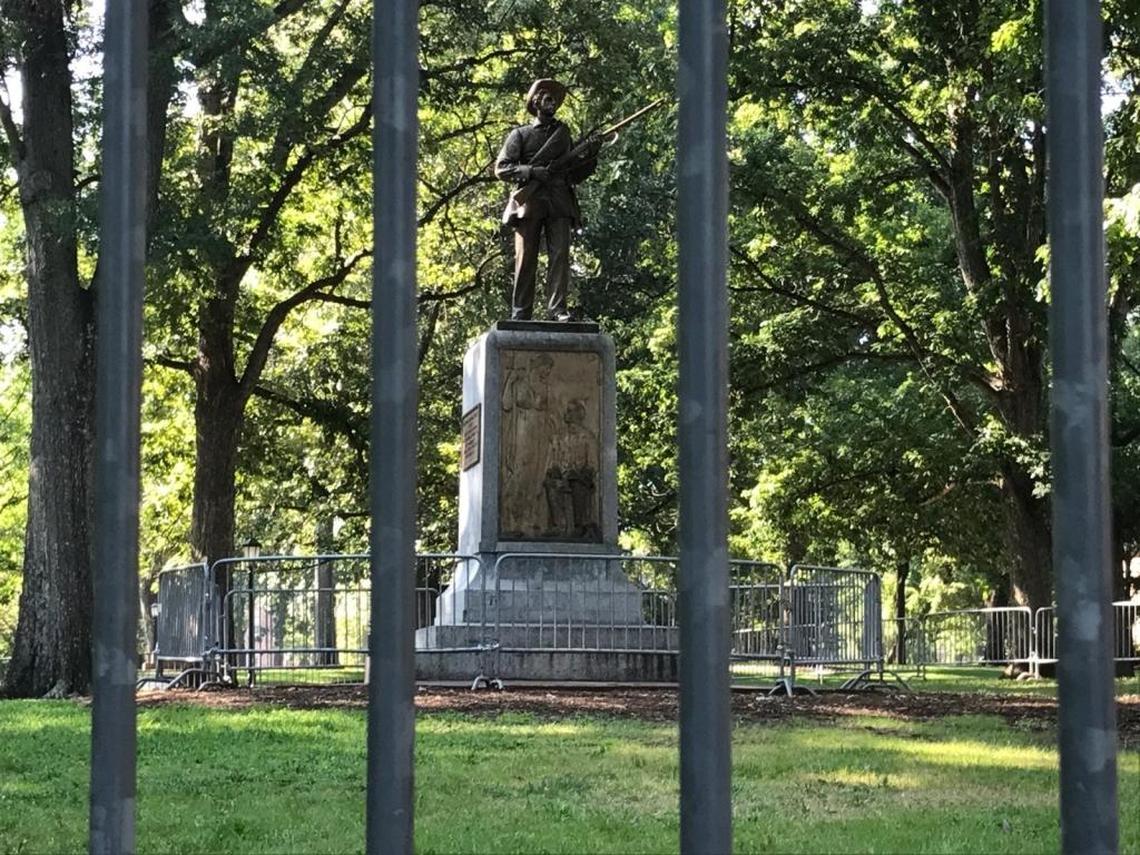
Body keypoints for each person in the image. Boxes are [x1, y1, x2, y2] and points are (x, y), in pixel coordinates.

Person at [495, 78, 602, 321]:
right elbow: (502, 169)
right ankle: (521, 313)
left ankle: (558, 310)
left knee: (560, 258)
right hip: (530, 202)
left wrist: (592, 154)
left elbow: (575, 174)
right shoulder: (520, 134)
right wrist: (532, 172)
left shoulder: (563, 135)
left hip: (560, 201)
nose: (552, 102)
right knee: (525, 259)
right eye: (546, 97)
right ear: (535, 102)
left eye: (554, 99)